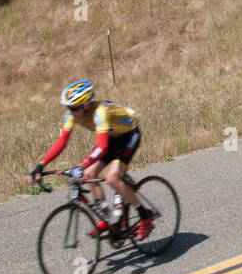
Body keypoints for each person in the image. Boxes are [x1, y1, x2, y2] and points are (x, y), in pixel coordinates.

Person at [29, 79, 156, 240]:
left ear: (85, 106)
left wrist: (81, 165)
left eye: (74, 108)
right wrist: (41, 164)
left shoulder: (100, 112)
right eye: (69, 107)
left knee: (112, 178)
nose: (71, 111)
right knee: (89, 175)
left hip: (129, 134)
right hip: (112, 136)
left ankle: (145, 216)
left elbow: (102, 147)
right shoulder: (71, 115)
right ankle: (107, 218)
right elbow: (62, 142)